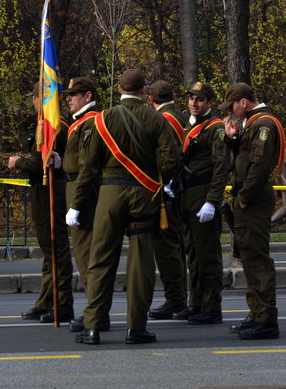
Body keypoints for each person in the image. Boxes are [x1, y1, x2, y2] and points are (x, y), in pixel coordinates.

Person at [69, 69, 180, 345]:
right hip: (145, 195)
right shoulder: (156, 119)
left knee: (101, 260)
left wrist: (77, 203)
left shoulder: (103, 119)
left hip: (109, 195)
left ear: (119, 89)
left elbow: (89, 166)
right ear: (144, 91)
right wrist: (158, 180)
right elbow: (172, 159)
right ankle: (136, 328)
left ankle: (93, 326)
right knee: (141, 263)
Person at [220, 82, 284, 340]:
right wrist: (233, 139)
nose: (231, 111)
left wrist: (244, 196)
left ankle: (265, 319)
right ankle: (256, 313)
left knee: (256, 259)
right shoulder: (253, 123)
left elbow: (260, 164)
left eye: (232, 106)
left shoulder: (263, 124)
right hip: (249, 197)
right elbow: (247, 158)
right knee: (248, 257)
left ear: (244, 102)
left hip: (253, 199)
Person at [8, 82, 74, 323]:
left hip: (50, 193)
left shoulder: (53, 125)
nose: (33, 102)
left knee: (56, 250)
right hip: (44, 193)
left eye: (35, 98)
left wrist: (17, 162)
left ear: (40, 99)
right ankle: (47, 300)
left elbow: (40, 163)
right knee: (49, 252)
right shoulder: (52, 123)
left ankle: (62, 303)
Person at [172, 81, 228, 325]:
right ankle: (196, 302)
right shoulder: (190, 126)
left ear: (210, 102)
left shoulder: (216, 128)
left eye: (200, 99)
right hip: (188, 197)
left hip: (204, 196)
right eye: (191, 98)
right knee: (193, 255)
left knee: (208, 255)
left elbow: (221, 168)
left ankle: (212, 307)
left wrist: (212, 200)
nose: (194, 103)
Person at [62, 77, 106, 333]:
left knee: (87, 256)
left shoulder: (90, 122)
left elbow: (88, 167)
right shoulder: (80, 122)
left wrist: (77, 204)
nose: (69, 98)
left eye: (74, 94)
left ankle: (96, 313)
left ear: (87, 96)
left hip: (84, 192)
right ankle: (95, 311)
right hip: (75, 186)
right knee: (84, 255)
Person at [147, 80, 188, 320]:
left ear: (150, 100)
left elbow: (166, 157)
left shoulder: (163, 120)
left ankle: (176, 299)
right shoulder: (180, 116)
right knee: (177, 245)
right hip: (180, 188)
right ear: (173, 95)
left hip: (167, 188)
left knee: (167, 247)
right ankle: (179, 296)